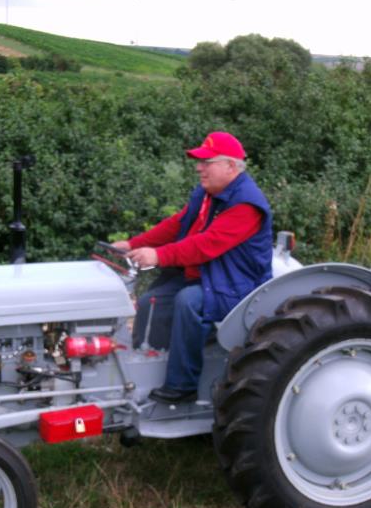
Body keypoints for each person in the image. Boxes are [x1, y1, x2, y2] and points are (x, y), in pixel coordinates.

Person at [112, 131, 273, 403]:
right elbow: (179, 224)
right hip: (209, 274)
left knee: (189, 302)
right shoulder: (208, 193)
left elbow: (206, 245)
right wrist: (133, 244)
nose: (199, 168)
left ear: (230, 166)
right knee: (151, 301)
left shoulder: (246, 204)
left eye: (207, 162)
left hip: (236, 284)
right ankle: (145, 370)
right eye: (199, 161)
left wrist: (159, 256)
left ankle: (182, 385)